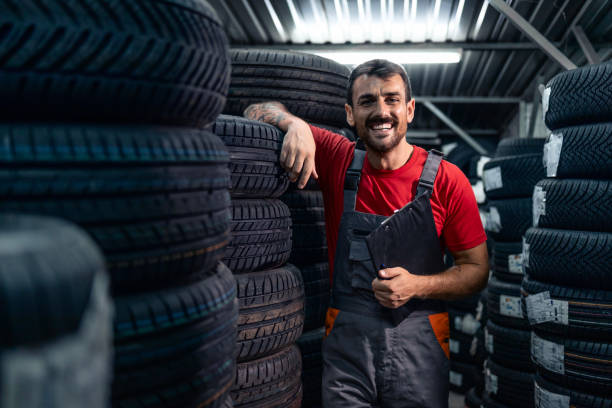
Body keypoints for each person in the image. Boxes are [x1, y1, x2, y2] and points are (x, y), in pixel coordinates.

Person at [244, 59, 489, 408]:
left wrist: (417, 285)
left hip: (420, 339)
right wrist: (293, 124)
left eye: (391, 99)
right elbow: (257, 109)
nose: (381, 112)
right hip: (348, 347)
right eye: (367, 101)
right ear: (349, 113)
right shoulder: (337, 157)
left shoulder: (447, 180)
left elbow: (477, 271)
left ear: (410, 109)